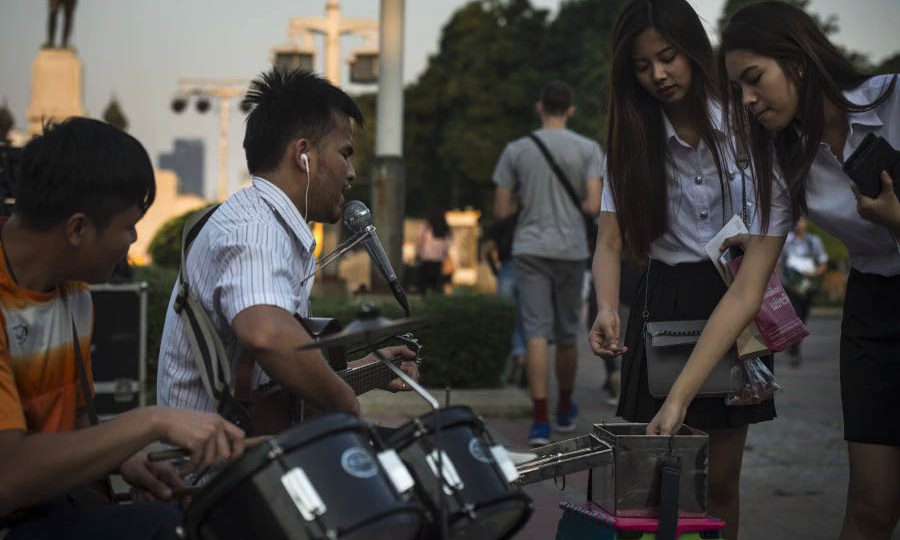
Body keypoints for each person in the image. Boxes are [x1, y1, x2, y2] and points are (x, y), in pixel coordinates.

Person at [589, 2, 793, 537]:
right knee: (660, 478)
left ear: (693, 51)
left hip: (735, 292)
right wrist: (607, 307)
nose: (658, 74)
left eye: (668, 56)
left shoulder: (748, 120)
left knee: (722, 480)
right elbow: (609, 241)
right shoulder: (631, 137)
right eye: (641, 65)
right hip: (665, 303)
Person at [0, 118, 245, 540]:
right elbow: (8, 476)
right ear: (77, 228)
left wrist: (125, 462)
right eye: (129, 226)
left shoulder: (74, 294)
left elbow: (74, 429)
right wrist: (151, 422)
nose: (132, 239)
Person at [720, 3, 899, 538]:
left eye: (754, 80)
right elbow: (749, 287)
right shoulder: (783, 154)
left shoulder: (892, 100)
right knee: (869, 505)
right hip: (872, 310)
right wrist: (679, 397)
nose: (748, 101)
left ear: (797, 60)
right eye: (739, 90)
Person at [156, 69, 418, 434]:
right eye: (345, 154)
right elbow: (266, 333)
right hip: (218, 477)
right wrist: (346, 406)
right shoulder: (257, 229)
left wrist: (371, 369)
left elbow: (274, 391)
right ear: (303, 155)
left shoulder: (263, 220)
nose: (352, 173)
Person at [493, 80, 603, 446]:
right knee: (569, 332)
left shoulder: (516, 151)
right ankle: (566, 407)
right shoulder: (588, 149)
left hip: (529, 249)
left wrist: (527, 197)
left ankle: (540, 419)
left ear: (540, 107)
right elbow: (593, 205)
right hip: (571, 250)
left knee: (536, 331)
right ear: (570, 109)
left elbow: (501, 210)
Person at [482, 215, 527, 387]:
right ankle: (524, 357)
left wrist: (496, 270)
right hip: (530, 270)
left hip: (507, 269)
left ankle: (516, 355)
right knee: (528, 319)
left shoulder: (502, 220)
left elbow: (487, 248)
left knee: (509, 320)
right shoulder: (531, 218)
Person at [778, 216, 828, 366]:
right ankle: (795, 351)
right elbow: (779, 264)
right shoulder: (786, 243)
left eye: (801, 220)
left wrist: (814, 272)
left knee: (803, 318)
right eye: (796, 221)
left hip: (808, 287)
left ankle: (794, 345)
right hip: (791, 287)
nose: (799, 224)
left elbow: (823, 263)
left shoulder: (814, 241)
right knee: (796, 317)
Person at [415, 210, 453, 294]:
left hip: (426, 260)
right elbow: (446, 248)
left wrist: (418, 253)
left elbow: (420, 243)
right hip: (438, 262)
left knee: (424, 285)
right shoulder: (445, 230)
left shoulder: (426, 228)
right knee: (435, 285)